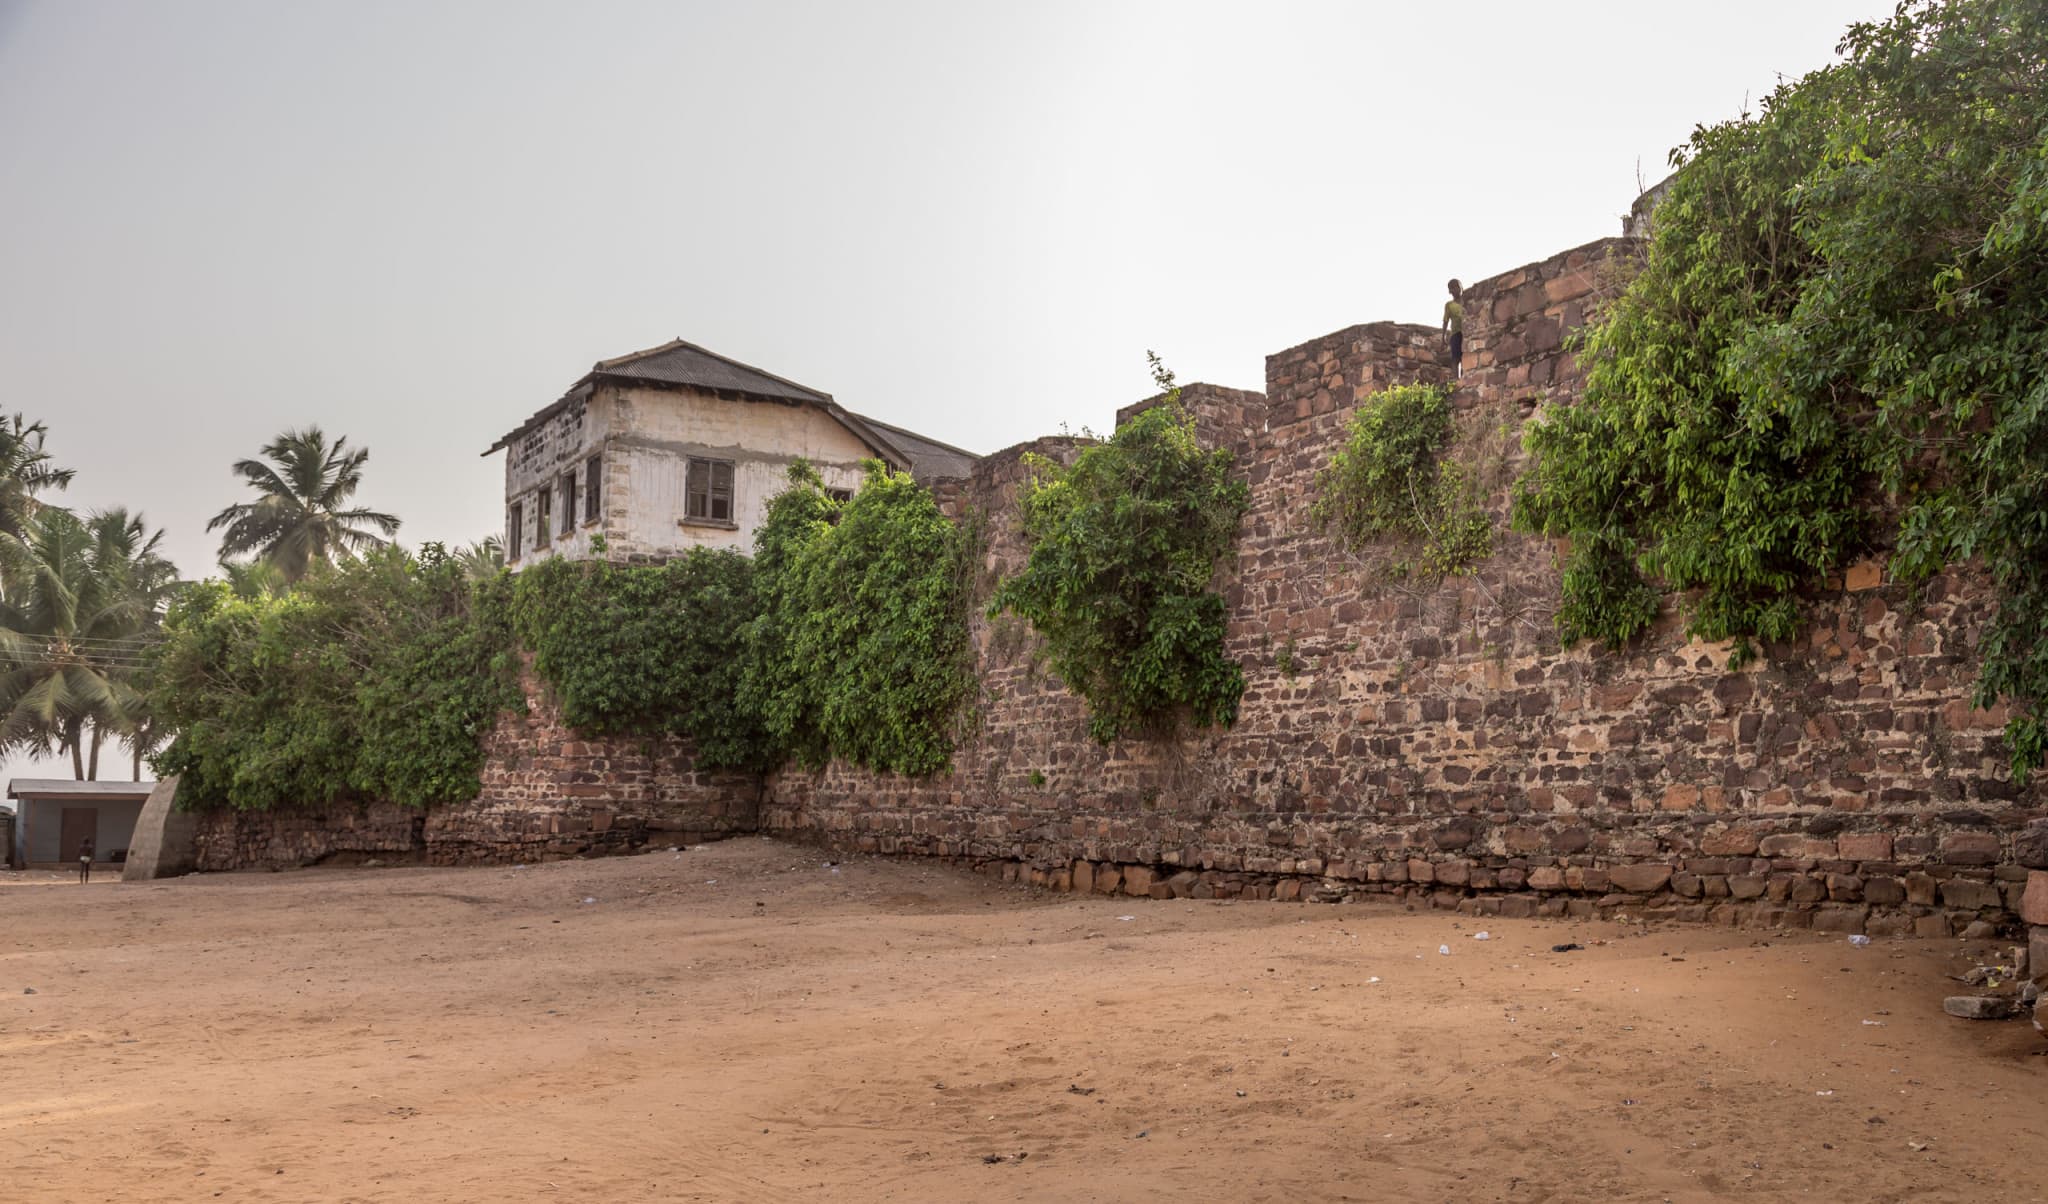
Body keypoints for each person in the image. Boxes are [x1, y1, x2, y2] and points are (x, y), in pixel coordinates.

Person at [1442, 279, 1466, 378]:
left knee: (1465, 357)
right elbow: (1446, 321)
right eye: (1453, 288)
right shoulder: (1449, 305)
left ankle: (1465, 378)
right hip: (1455, 333)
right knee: (1455, 358)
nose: (1456, 289)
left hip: (1466, 333)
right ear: (1450, 291)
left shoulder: (1467, 301)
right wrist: (1442, 337)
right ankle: (1455, 380)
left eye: (1457, 286)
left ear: (1461, 287)